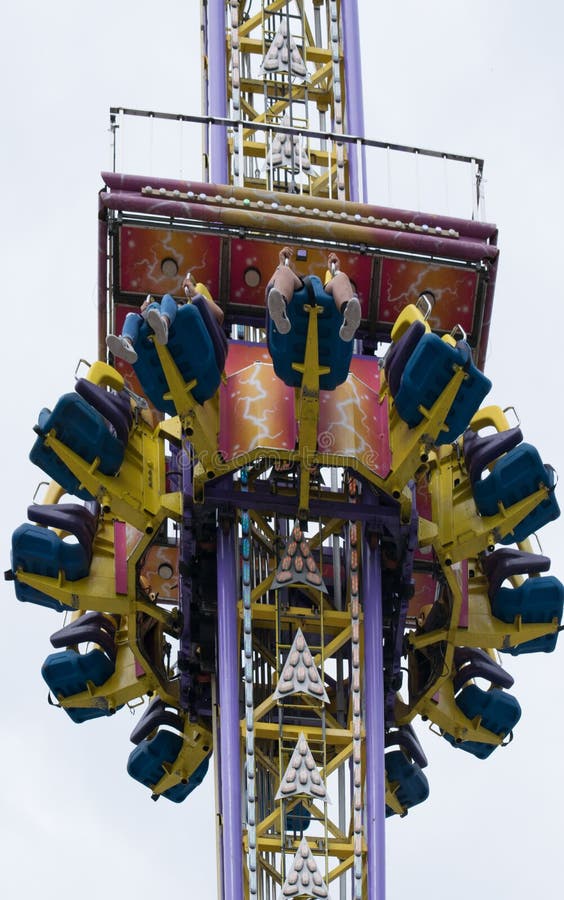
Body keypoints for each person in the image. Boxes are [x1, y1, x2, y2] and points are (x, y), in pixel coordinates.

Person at [106, 273, 224, 364]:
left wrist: (194, 294)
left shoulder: (192, 314)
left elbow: (220, 315)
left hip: (193, 346)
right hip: (168, 352)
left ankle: (164, 322)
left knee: (167, 298)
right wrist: (144, 313)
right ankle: (126, 343)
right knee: (132, 316)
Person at [267, 247, 362, 342]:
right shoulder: (291, 278)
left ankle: (348, 316)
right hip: (293, 306)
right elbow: (270, 290)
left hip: (326, 323)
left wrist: (336, 271)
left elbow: (269, 289)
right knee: (284, 271)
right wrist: (282, 265)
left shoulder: (328, 284)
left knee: (341, 277)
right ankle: (280, 310)